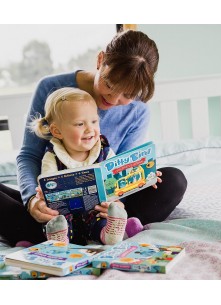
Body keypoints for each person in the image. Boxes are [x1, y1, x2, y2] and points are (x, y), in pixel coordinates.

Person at [0, 29, 187, 247]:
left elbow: (122, 168)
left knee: (173, 180)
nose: (113, 98)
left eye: (127, 95)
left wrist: (134, 183)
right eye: (109, 84)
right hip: (54, 206)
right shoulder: (52, 89)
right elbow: (29, 155)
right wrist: (32, 200)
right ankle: (56, 231)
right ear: (101, 60)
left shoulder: (138, 111)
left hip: (102, 207)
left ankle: (108, 227)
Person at [30, 87, 150, 245]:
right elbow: (47, 182)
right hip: (65, 213)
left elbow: (118, 176)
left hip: (95, 209)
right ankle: (59, 239)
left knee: (101, 216)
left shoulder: (104, 151)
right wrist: (42, 194)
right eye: (80, 124)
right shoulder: (53, 155)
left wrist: (119, 199)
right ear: (57, 131)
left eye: (94, 121)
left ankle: (109, 234)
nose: (89, 129)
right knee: (55, 219)